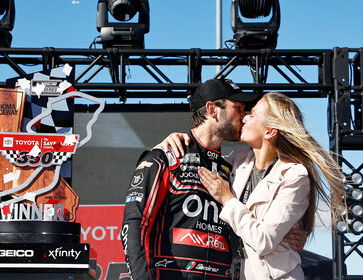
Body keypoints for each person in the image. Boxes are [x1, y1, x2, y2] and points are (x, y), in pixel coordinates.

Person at [121, 79, 306, 280]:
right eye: (238, 108)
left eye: (246, 111)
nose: (242, 116)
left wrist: (288, 236)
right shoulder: (167, 156)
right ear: (212, 110)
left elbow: (260, 227)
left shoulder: (230, 166)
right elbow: (135, 223)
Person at [159, 92, 345, 279]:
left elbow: (263, 241)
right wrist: (169, 143)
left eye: (252, 114)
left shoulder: (294, 175)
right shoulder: (237, 161)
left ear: (270, 131)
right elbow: (200, 159)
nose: (244, 117)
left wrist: (227, 199)